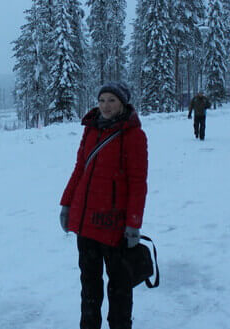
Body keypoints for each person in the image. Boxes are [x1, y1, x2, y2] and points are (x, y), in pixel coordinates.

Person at [60, 82, 148, 329]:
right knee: (89, 283)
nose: (105, 106)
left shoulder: (134, 136)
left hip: (113, 226)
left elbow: (138, 183)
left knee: (119, 285)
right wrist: (67, 204)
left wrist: (133, 224)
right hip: (85, 222)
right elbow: (80, 169)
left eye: (111, 100)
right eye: (102, 100)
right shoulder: (91, 131)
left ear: (122, 103)